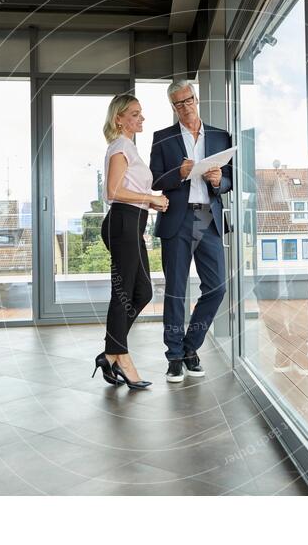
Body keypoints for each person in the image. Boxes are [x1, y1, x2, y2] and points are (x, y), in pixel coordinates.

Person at [150, 80, 233, 383]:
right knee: (175, 290)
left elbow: (229, 181)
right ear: (172, 107)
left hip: (208, 219)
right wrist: (180, 173)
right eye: (177, 104)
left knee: (216, 288)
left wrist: (217, 181)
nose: (184, 107)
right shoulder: (162, 139)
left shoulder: (221, 136)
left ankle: (190, 347)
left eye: (188, 100)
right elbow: (156, 182)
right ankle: (173, 357)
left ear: (196, 99)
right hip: (178, 219)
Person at [93, 94, 169, 390]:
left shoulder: (128, 148)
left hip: (132, 222)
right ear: (119, 119)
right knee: (124, 291)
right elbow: (112, 192)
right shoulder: (121, 147)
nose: (141, 119)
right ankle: (121, 357)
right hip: (122, 223)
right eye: (135, 114)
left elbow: (128, 189)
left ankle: (111, 353)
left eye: (141, 114)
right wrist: (150, 198)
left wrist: (150, 203)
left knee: (144, 291)